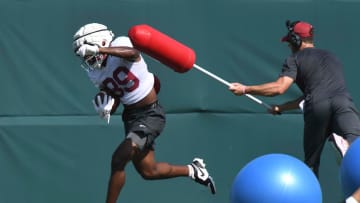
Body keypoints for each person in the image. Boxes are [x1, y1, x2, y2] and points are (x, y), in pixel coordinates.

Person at [72, 23, 216, 203]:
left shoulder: (122, 43)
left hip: (151, 115)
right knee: (149, 171)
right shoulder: (94, 73)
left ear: (99, 41)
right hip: (131, 118)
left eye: (88, 53)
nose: (89, 60)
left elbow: (134, 54)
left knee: (119, 158)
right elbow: (114, 94)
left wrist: (100, 49)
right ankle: (193, 170)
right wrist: (106, 104)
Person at [229, 20, 360, 177]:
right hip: (343, 102)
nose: (289, 46)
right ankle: (348, 146)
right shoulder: (332, 57)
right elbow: (318, 93)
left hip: (317, 107)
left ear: (296, 40)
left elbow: (280, 87)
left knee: (311, 165)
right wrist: (281, 108)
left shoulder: (295, 59)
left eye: (289, 42)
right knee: (356, 146)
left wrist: (245, 89)